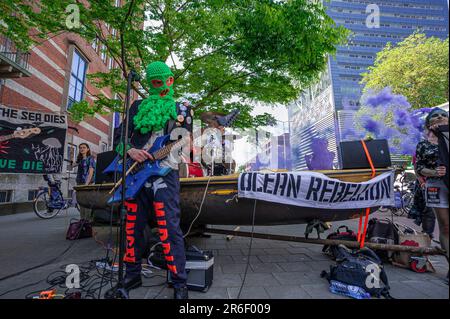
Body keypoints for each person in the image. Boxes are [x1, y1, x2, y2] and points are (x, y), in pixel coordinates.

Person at [107, 61, 188, 299]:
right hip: (134, 173)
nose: (161, 85)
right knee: (131, 224)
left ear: (171, 80)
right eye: (155, 81)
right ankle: (132, 274)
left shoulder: (182, 109)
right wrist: (130, 150)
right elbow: (119, 136)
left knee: (169, 225)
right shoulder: (137, 105)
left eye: (165, 80)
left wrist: (167, 151)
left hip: (164, 173)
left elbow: (183, 142)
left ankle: (178, 279)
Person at [415, 107, 449, 284]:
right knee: (445, 226)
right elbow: (418, 167)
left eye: (444, 115)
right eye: (436, 115)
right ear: (429, 122)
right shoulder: (423, 144)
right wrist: (434, 172)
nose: (441, 117)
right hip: (436, 186)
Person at [74, 143, 96, 221]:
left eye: (84, 147)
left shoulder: (90, 158)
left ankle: (87, 221)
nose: (82, 149)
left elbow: (91, 172)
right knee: (81, 202)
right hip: (79, 183)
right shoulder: (80, 159)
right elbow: (72, 165)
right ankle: (82, 220)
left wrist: (87, 184)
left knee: (87, 203)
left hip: (87, 183)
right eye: (80, 148)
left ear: (88, 149)